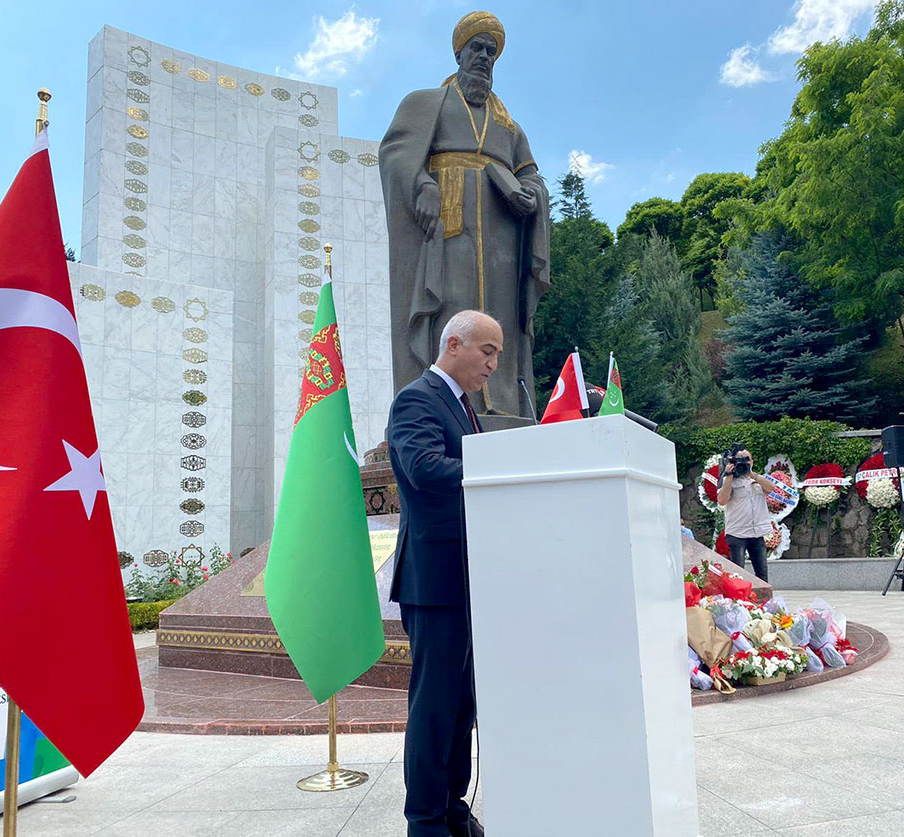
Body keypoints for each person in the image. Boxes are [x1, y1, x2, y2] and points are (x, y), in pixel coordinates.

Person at [380, 11, 549, 418]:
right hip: (448, 228)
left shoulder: (509, 126)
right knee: (451, 310)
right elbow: (396, 153)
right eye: (477, 48)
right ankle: (445, 404)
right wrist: (421, 185)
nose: (484, 57)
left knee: (499, 319)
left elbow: (532, 175)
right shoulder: (426, 104)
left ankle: (502, 405)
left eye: (491, 52)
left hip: (502, 235)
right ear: (460, 52)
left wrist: (530, 195)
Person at [387, 310, 503, 837]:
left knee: (462, 705)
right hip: (435, 582)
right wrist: (506, 466)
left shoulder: (464, 408)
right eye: (487, 351)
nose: (494, 364)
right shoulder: (417, 399)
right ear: (453, 344)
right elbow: (424, 468)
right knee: (434, 708)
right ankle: (426, 822)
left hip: (470, 577)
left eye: (498, 352)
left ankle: (452, 806)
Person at [715, 449, 776, 582]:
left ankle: (764, 601)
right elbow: (722, 500)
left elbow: (771, 488)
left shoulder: (757, 479)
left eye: (747, 459)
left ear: (752, 461)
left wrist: (752, 475)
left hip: (757, 533)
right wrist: (729, 477)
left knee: (762, 572)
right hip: (737, 534)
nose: (744, 462)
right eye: (740, 459)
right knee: (738, 573)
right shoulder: (728, 480)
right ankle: (739, 600)